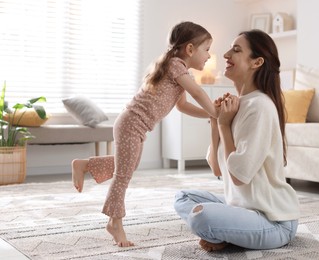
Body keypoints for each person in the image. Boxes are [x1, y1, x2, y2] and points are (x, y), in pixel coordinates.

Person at [71, 21, 220, 247]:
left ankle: (85, 165)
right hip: (131, 123)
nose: (209, 56)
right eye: (206, 49)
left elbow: (183, 106)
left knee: (126, 167)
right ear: (190, 49)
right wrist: (214, 110)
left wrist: (210, 116)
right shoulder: (175, 65)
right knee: (123, 175)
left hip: (134, 125)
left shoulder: (179, 69)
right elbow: (198, 92)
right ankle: (115, 223)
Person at [174, 29, 301, 252]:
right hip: (242, 208)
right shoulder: (237, 105)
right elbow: (216, 168)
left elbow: (239, 177)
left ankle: (225, 233)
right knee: (183, 198)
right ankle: (228, 232)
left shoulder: (260, 106)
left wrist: (225, 125)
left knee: (201, 218)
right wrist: (215, 120)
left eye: (236, 50)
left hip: (273, 220)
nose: (225, 54)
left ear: (257, 62)